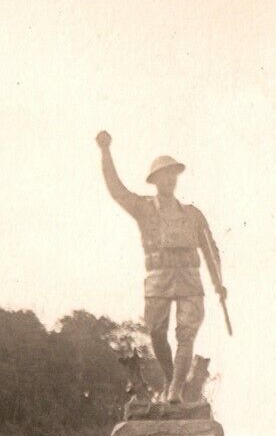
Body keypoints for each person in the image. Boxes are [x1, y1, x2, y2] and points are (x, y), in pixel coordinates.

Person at [96, 131, 226, 402]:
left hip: (189, 277)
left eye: (173, 174)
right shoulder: (144, 208)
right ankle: (171, 377)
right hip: (158, 276)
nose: (170, 179)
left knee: (186, 333)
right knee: (156, 332)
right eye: (164, 174)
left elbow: (211, 250)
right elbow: (117, 190)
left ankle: (176, 388)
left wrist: (218, 283)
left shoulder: (192, 214)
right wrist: (105, 152)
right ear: (154, 180)